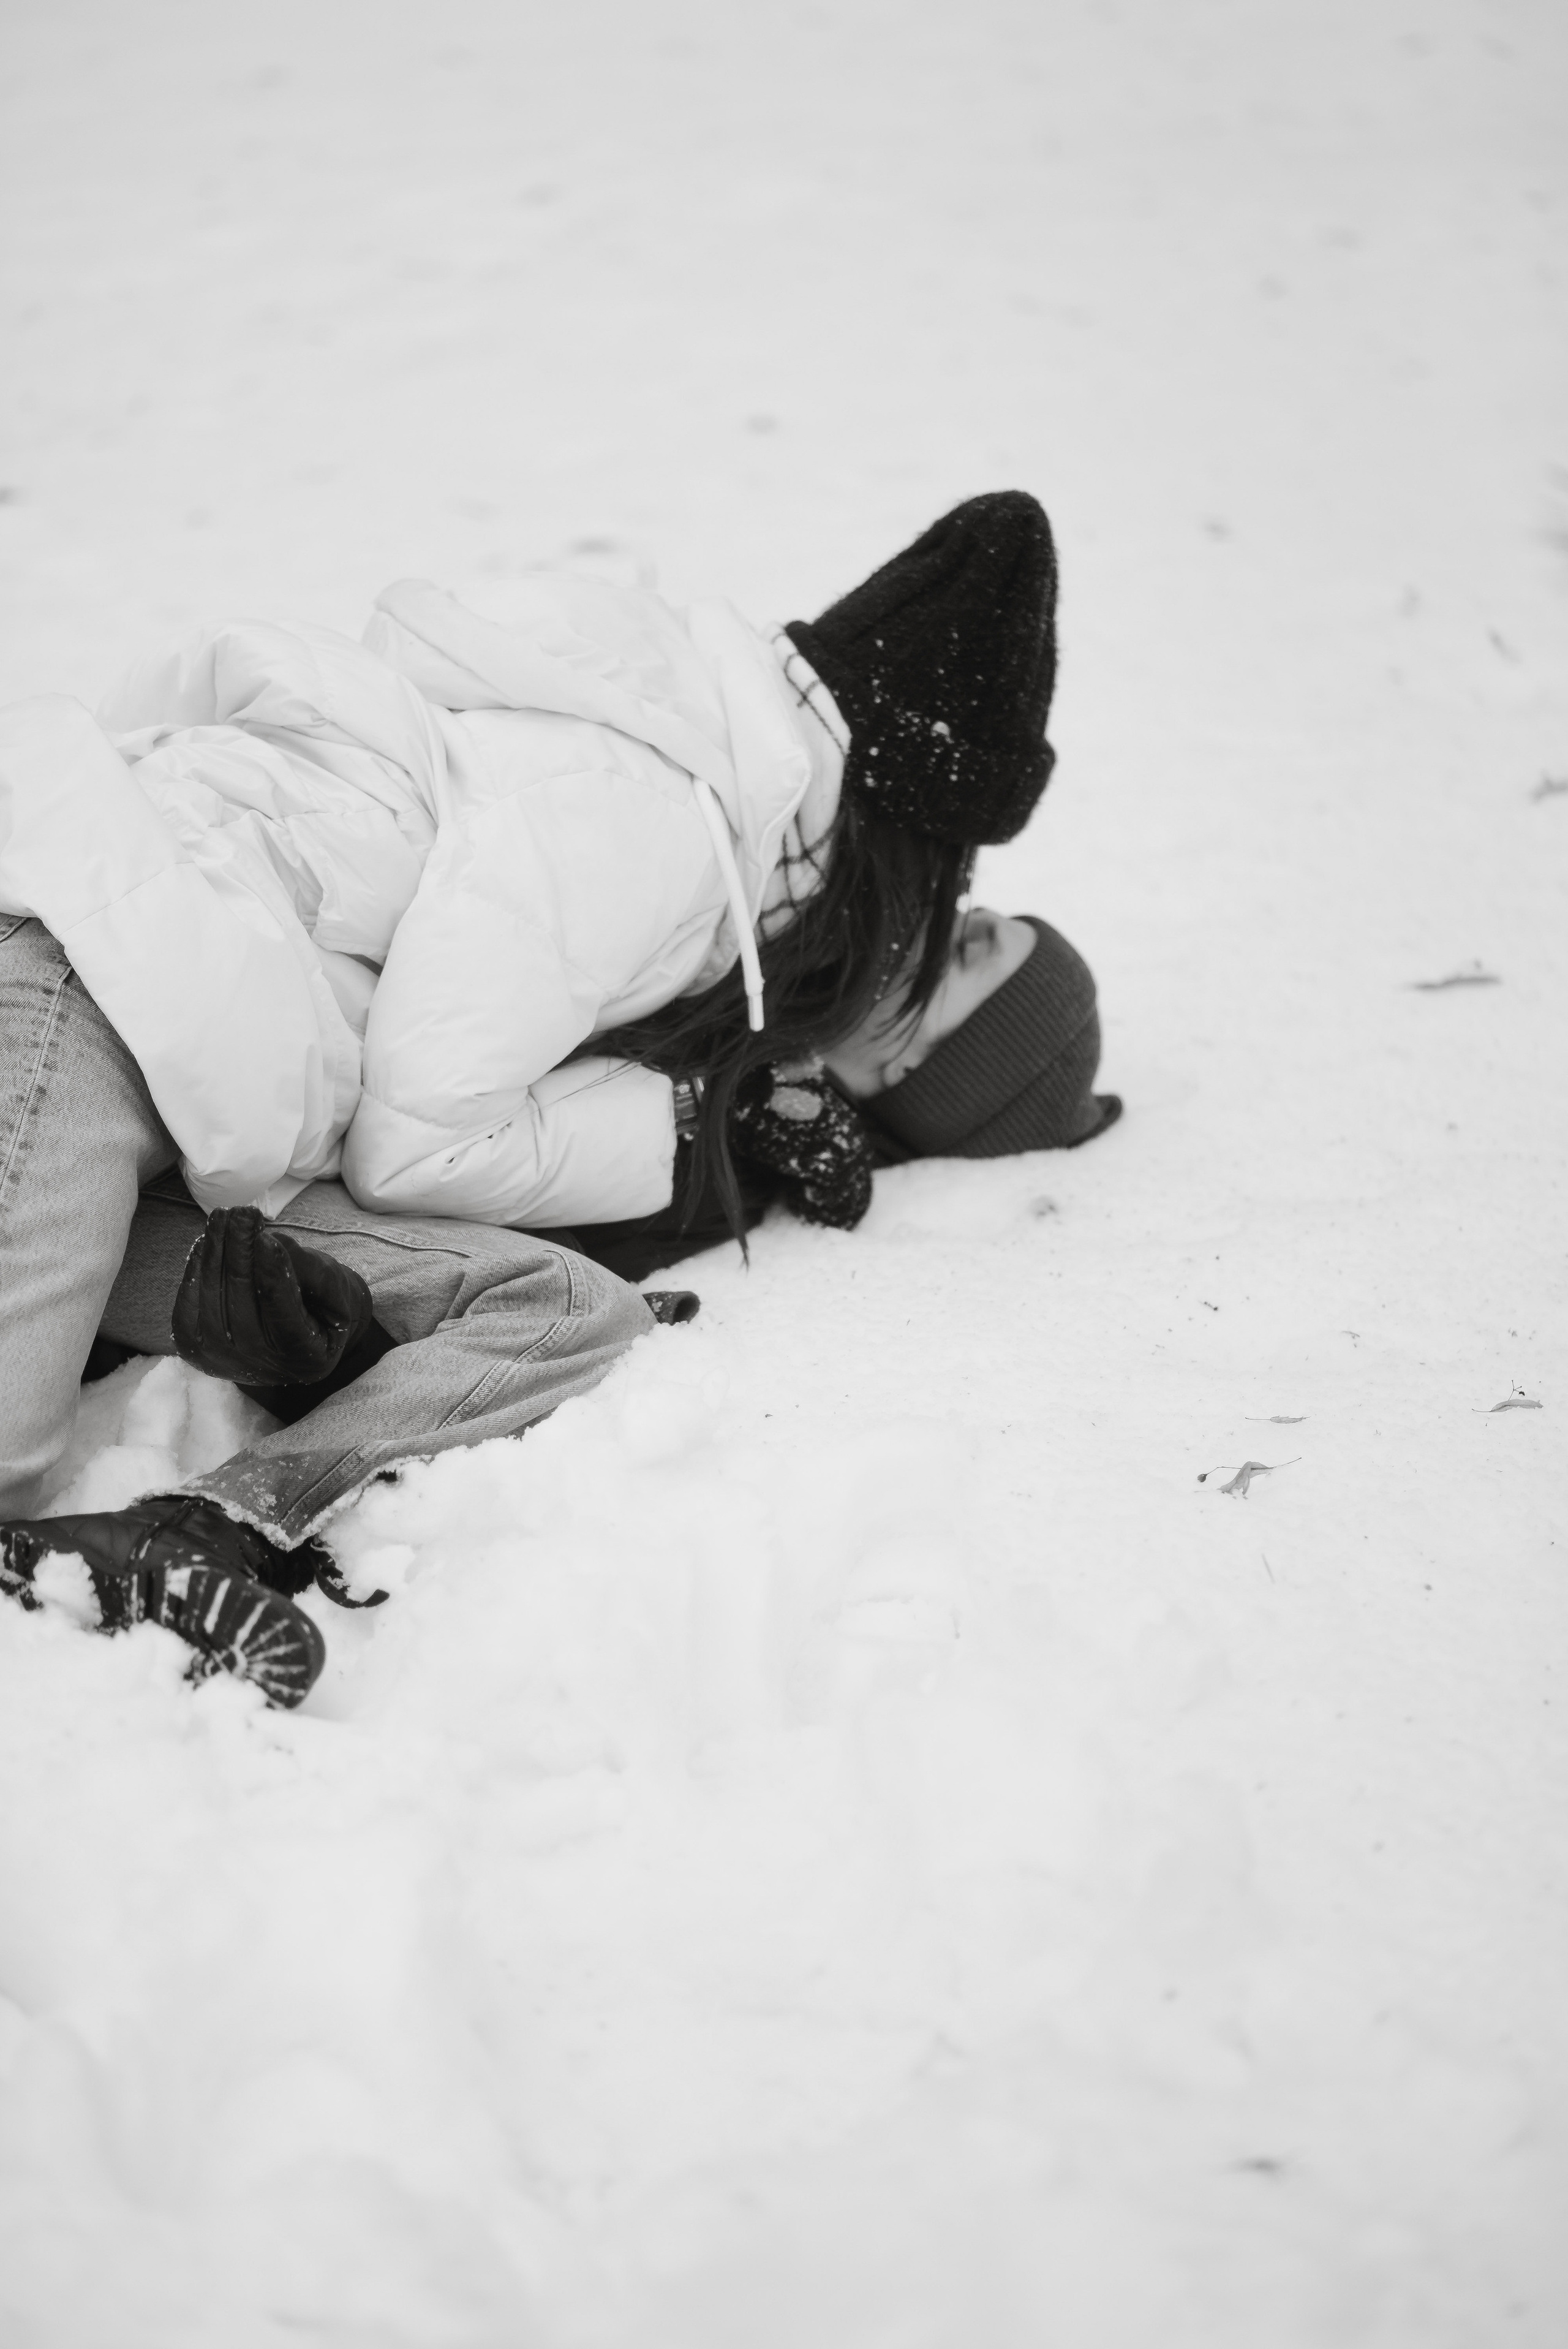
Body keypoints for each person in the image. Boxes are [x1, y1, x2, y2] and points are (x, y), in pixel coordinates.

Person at [0, 491, 1064, 1703]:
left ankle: (206, 1532)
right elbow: (420, 1145)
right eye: (962, 896)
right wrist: (686, 1124)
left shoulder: (726, 940)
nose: (954, 913)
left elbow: (456, 1174)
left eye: (973, 952)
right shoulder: (661, 821)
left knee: (567, 1312)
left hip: (193, 1105)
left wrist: (322, 1348)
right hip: (94, 961)